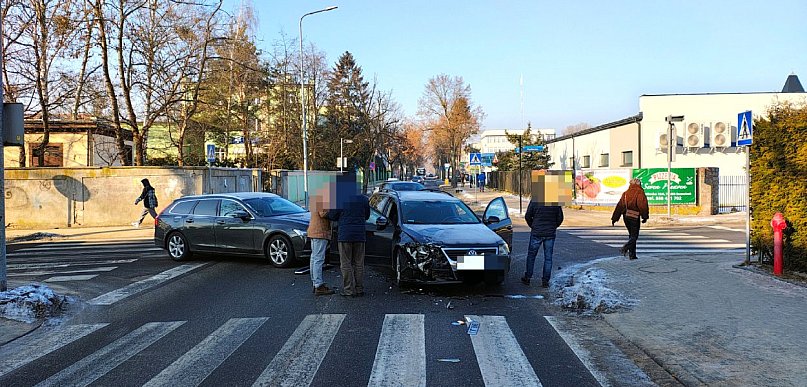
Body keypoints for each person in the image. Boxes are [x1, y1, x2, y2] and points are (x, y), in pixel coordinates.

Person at [327, 193, 370, 297]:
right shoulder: (364, 199)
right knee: (359, 263)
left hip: (345, 235)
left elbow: (332, 215)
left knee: (346, 263)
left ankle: (348, 290)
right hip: (359, 235)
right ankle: (359, 289)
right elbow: (367, 216)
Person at [521, 201, 564, 288]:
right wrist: (553, 226)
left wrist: (533, 226)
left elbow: (528, 216)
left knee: (531, 256)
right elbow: (560, 218)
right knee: (548, 258)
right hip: (550, 233)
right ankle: (545, 281)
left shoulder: (535, 200)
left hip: (537, 232)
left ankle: (528, 277)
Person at [611, 178, 650, 260]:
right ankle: (626, 247)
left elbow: (620, 206)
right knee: (634, 235)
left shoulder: (625, 193)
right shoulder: (640, 192)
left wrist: (615, 217)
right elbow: (643, 205)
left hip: (626, 216)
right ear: (639, 184)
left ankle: (632, 255)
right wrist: (645, 217)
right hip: (635, 216)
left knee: (631, 234)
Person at [307, 188, 335, 296]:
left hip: (314, 231)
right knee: (318, 259)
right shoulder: (322, 199)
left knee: (314, 258)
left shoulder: (315, 198)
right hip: (320, 232)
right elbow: (323, 213)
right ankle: (318, 285)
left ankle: (316, 283)